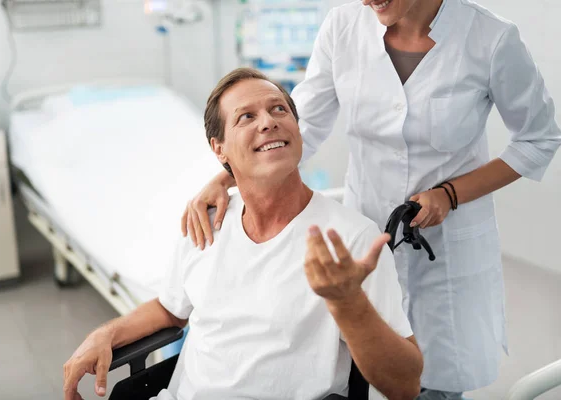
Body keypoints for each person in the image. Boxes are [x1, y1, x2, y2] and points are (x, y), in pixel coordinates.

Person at [181, 0, 561, 398]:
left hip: (446, 251)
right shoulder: (343, 26)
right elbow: (301, 126)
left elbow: (539, 139)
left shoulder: (491, 38)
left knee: (435, 382)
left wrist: (450, 194)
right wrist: (226, 177)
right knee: (363, 363)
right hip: (366, 233)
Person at [63, 68, 423, 400]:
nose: (268, 122)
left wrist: (349, 304)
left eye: (279, 110)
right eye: (246, 117)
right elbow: (170, 309)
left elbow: (405, 386)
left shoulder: (350, 240)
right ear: (218, 148)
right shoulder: (206, 224)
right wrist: (105, 334)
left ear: (297, 129)